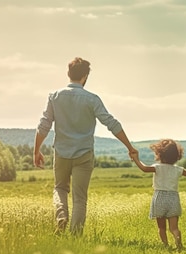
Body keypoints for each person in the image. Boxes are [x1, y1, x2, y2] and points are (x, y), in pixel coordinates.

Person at [34, 57, 138, 234]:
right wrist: (130, 147)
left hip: (61, 153)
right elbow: (111, 123)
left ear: (68, 74)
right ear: (85, 76)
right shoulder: (92, 99)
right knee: (80, 198)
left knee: (60, 188)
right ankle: (76, 236)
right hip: (84, 154)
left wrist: (36, 150)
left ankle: (61, 217)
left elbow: (44, 124)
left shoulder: (55, 97)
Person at [131, 139, 186, 251]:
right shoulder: (177, 169)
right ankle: (179, 245)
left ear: (159, 154)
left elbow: (143, 168)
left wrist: (136, 159)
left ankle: (166, 246)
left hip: (159, 198)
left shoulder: (157, 167)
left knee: (161, 227)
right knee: (174, 228)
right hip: (173, 198)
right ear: (177, 156)